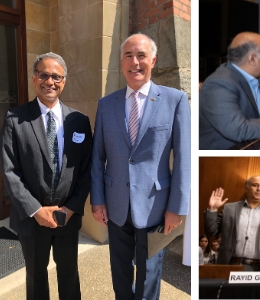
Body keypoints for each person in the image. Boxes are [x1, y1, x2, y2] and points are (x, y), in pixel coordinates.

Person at [90, 33, 188, 300]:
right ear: (121, 62)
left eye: (141, 55)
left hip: (156, 208)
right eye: (128, 55)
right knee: (120, 276)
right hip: (115, 206)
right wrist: (97, 201)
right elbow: (98, 157)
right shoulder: (106, 104)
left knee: (148, 281)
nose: (135, 62)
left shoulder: (175, 100)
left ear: (153, 60)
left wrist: (177, 208)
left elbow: (183, 157)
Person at [2, 52, 91, 300]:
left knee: (69, 276)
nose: (50, 81)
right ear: (34, 79)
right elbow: (10, 171)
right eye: (44, 75)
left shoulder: (80, 121)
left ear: (64, 81)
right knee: (36, 278)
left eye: (56, 76)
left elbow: (86, 171)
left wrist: (71, 208)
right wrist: (36, 210)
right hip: (31, 220)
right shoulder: (15, 119)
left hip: (67, 217)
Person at [204, 177, 260, 272]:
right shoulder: (229, 208)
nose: (259, 189)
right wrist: (212, 209)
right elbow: (211, 232)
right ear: (246, 187)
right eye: (255, 185)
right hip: (230, 264)